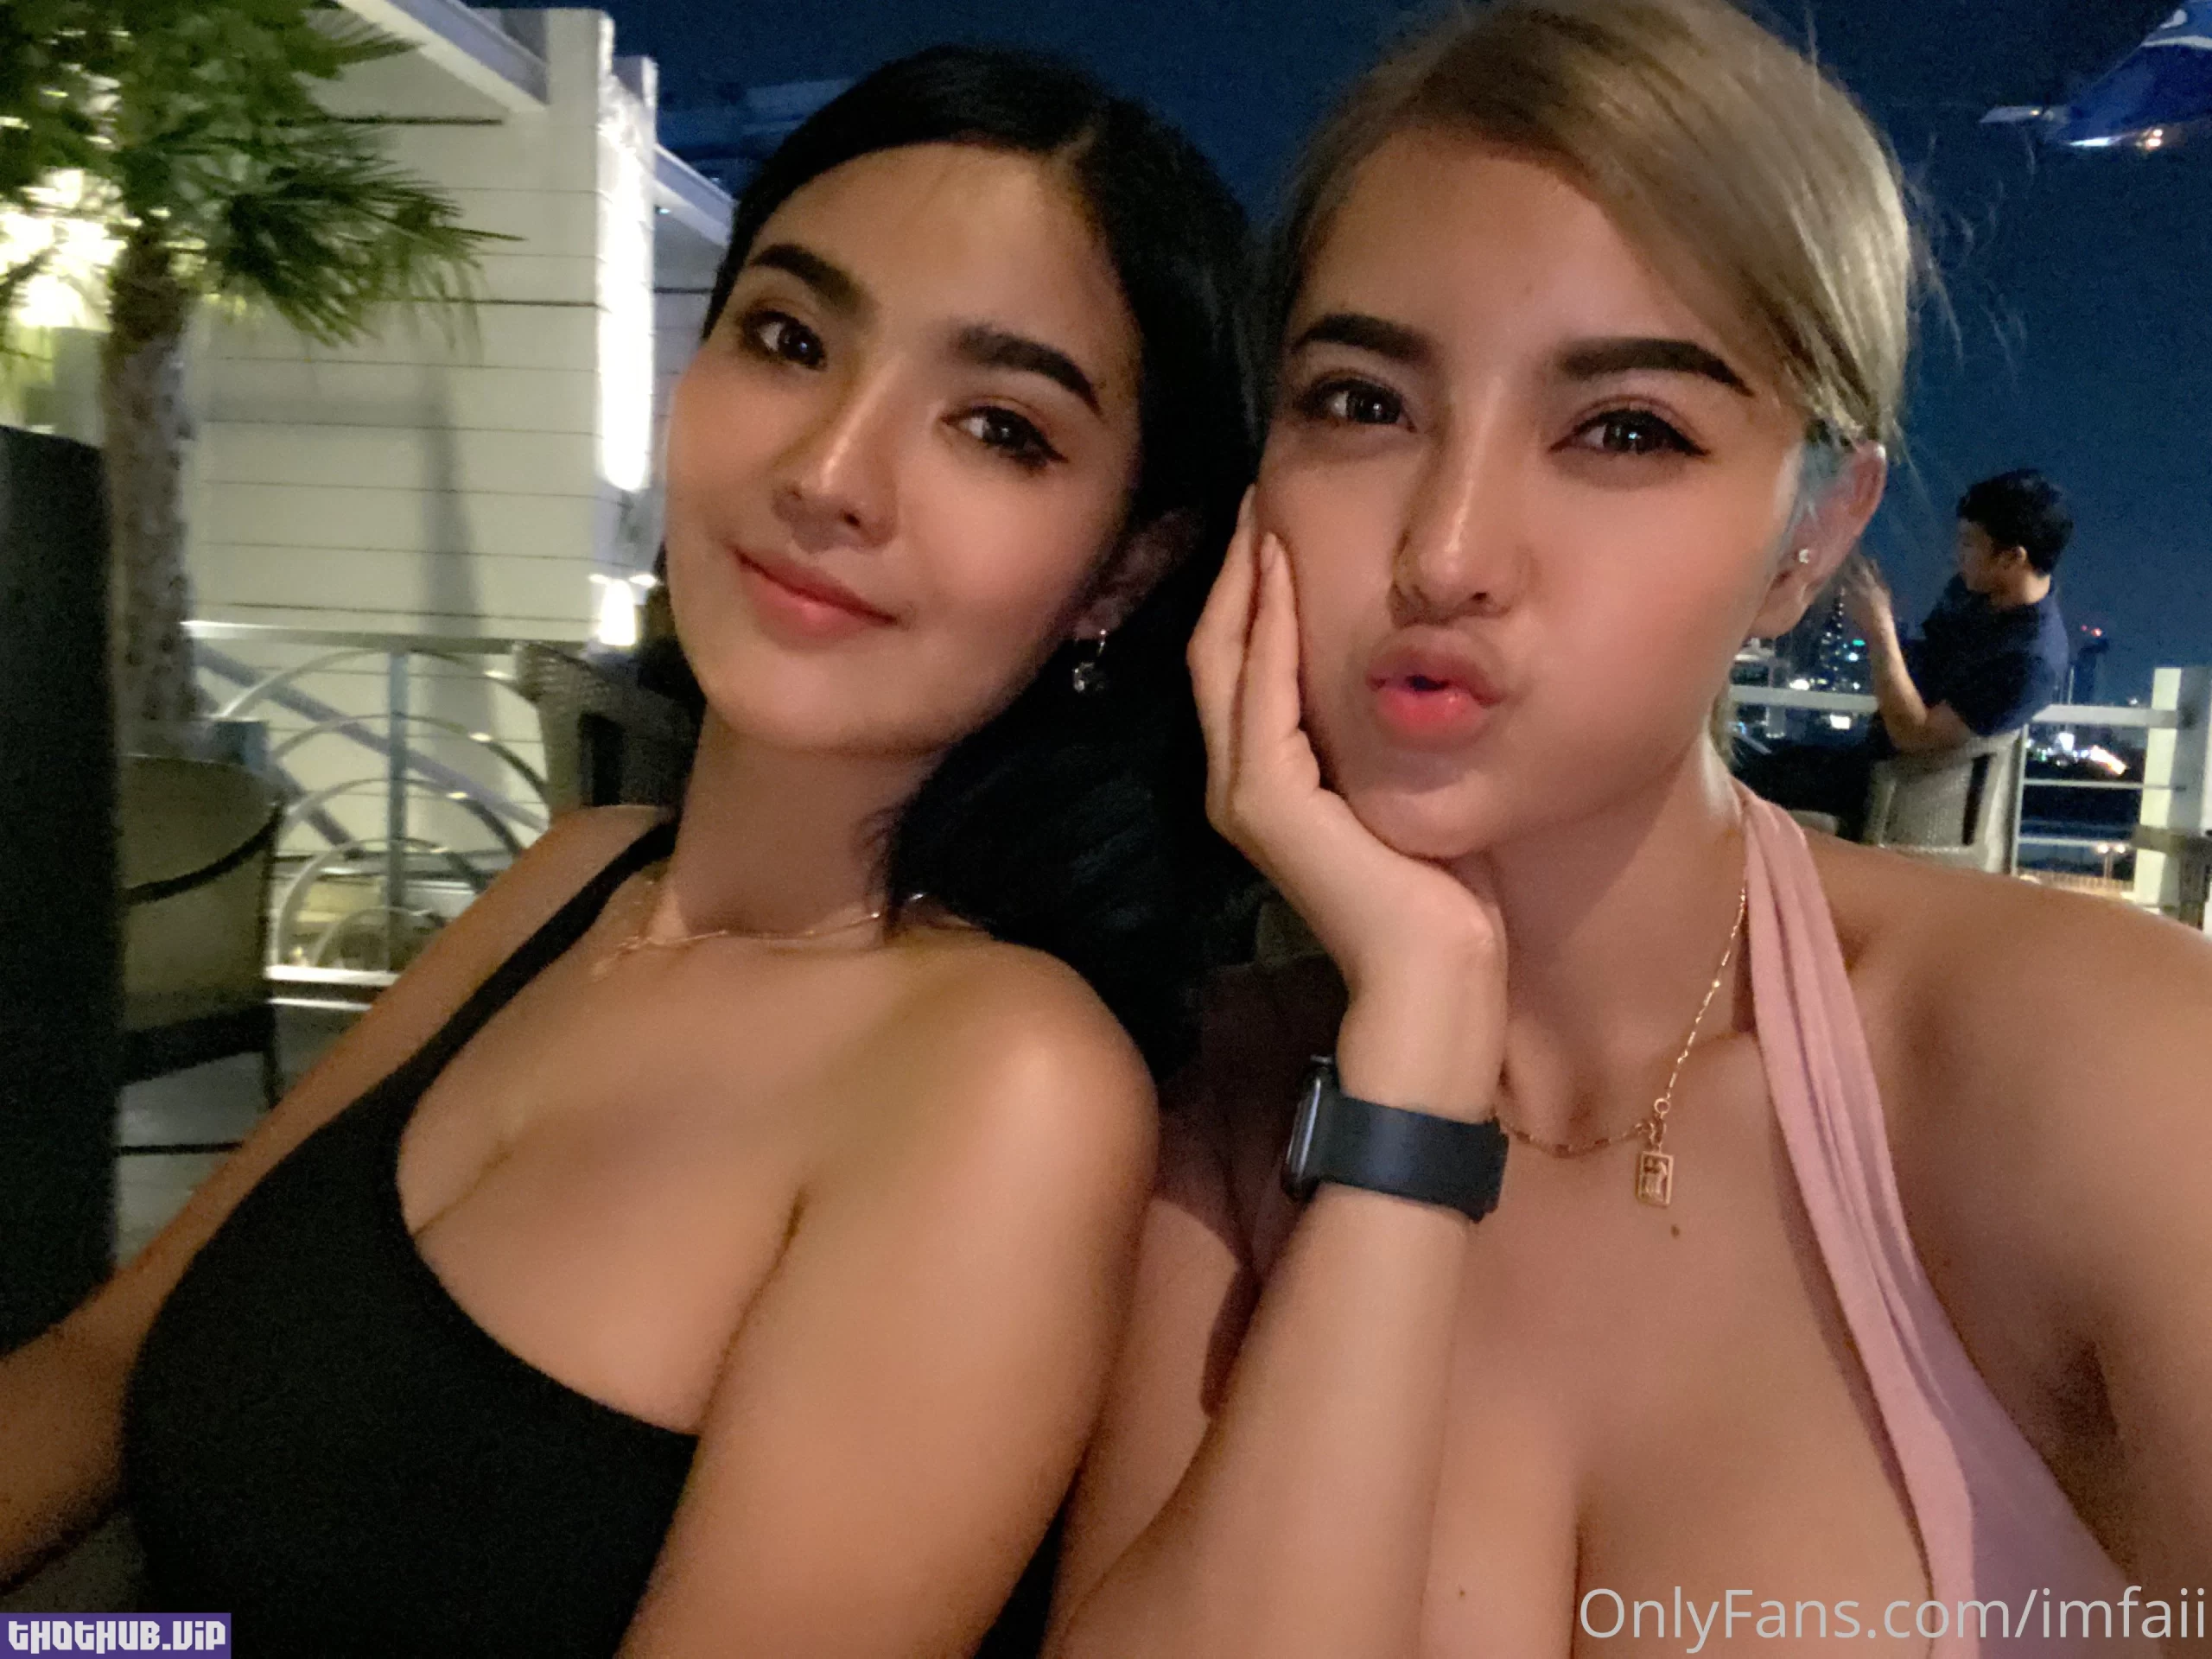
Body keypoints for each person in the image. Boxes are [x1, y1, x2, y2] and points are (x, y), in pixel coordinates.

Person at [0, 46, 1256, 1656]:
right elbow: (107, 1368)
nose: (829, 473)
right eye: (789, 339)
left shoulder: (1006, 1085)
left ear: (1126, 569)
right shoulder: (584, 877)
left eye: (1000, 428)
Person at [1043, 3, 2209, 1656]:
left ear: (1815, 532)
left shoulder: (2103, 1070)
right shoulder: (1212, 1114)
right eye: (1362, 402)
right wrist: (1417, 1056)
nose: (1447, 553)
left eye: (1626, 430)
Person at [1742, 468, 2075, 834]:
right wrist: (1876, 612)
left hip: (1897, 791)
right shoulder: (1973, 595)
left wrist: (1880, 631)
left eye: (1968, 544)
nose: (1957, 555)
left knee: (1737, 787)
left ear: (2012, 558)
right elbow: (1921, 659)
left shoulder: (2028, 662)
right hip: (1867, 758)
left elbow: (1914, 736)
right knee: (1751, 761)